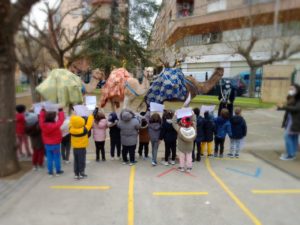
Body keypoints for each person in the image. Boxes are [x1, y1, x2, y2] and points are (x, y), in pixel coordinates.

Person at [70, 108, 96, 179]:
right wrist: (92, 114)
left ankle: (76, 174)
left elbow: (72, 121)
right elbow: (89, 122)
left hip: (75, 148)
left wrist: (74, 114)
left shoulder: (71, 129)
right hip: (82, 148)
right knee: (82, 160)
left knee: (76, 161)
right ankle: (81, 173)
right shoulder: (84, 130)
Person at [39, 107, 65, 177]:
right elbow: (61, 120)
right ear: (54, 118)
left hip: (47, 144)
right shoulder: (56, 125)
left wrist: (42, 110)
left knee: (49, 158)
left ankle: (50, 171)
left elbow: (41, 118)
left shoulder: (42, 125)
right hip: (56, 145)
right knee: (57, 157)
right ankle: (58, 171)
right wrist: (60, 111)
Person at [278, 84, 300, 160]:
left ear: (297, 90)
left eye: (292, 89)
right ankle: (292, 153)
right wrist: (280, 107)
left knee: (287, 136)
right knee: (293, 137)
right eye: (290, 88)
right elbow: (289, 108)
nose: (290, 90)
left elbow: (296, 108)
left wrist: (283, 107)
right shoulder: (291, 98)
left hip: (295, 122)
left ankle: (290, 155)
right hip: (290, 120)